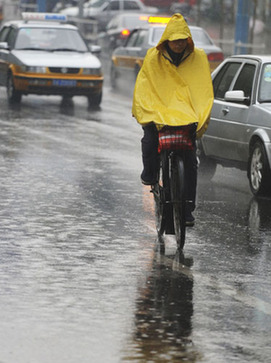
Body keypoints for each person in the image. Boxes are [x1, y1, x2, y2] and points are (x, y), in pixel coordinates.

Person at [132, 13, 214, 225]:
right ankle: (150, 173)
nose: (178, 44)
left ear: (188, 39)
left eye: (182, 39)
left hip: (186, 115)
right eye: (175, 39)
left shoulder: (199, 58)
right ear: (167, 40)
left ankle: (187, 210)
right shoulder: (153, 57)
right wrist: (148, 111)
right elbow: (145, 85)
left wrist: (199, 113)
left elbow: (202, 89)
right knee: (150, 140)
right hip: (159, 112)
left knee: (190, 161)